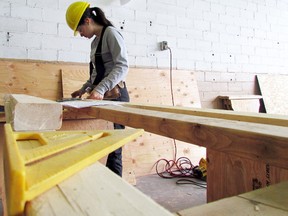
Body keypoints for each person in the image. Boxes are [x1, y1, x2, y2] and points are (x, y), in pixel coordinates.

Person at [65, 1, 130, 177]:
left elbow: (122, 66)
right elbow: (96, 72)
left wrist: (100, 90)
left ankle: (115, 191)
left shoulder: (112, 34)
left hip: (116, 96)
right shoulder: (95, 42)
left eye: (80, 30)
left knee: (114, 149)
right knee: (102, 144)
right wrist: (84, 89)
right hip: (103, 96)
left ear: (87, 21)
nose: (80, 34)